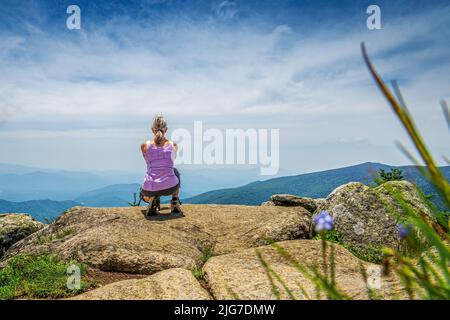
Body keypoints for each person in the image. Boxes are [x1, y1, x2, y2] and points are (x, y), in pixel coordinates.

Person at [140, 115, 182, 216]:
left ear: (152, 130)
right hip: (170, 186)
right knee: (175, 171)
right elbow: (171, 162)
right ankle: (175, 200)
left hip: (150, 188)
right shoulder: (173, 145)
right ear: (166, 130)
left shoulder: (144, 146)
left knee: (147, 180)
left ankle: (153, 198)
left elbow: (148, 163)